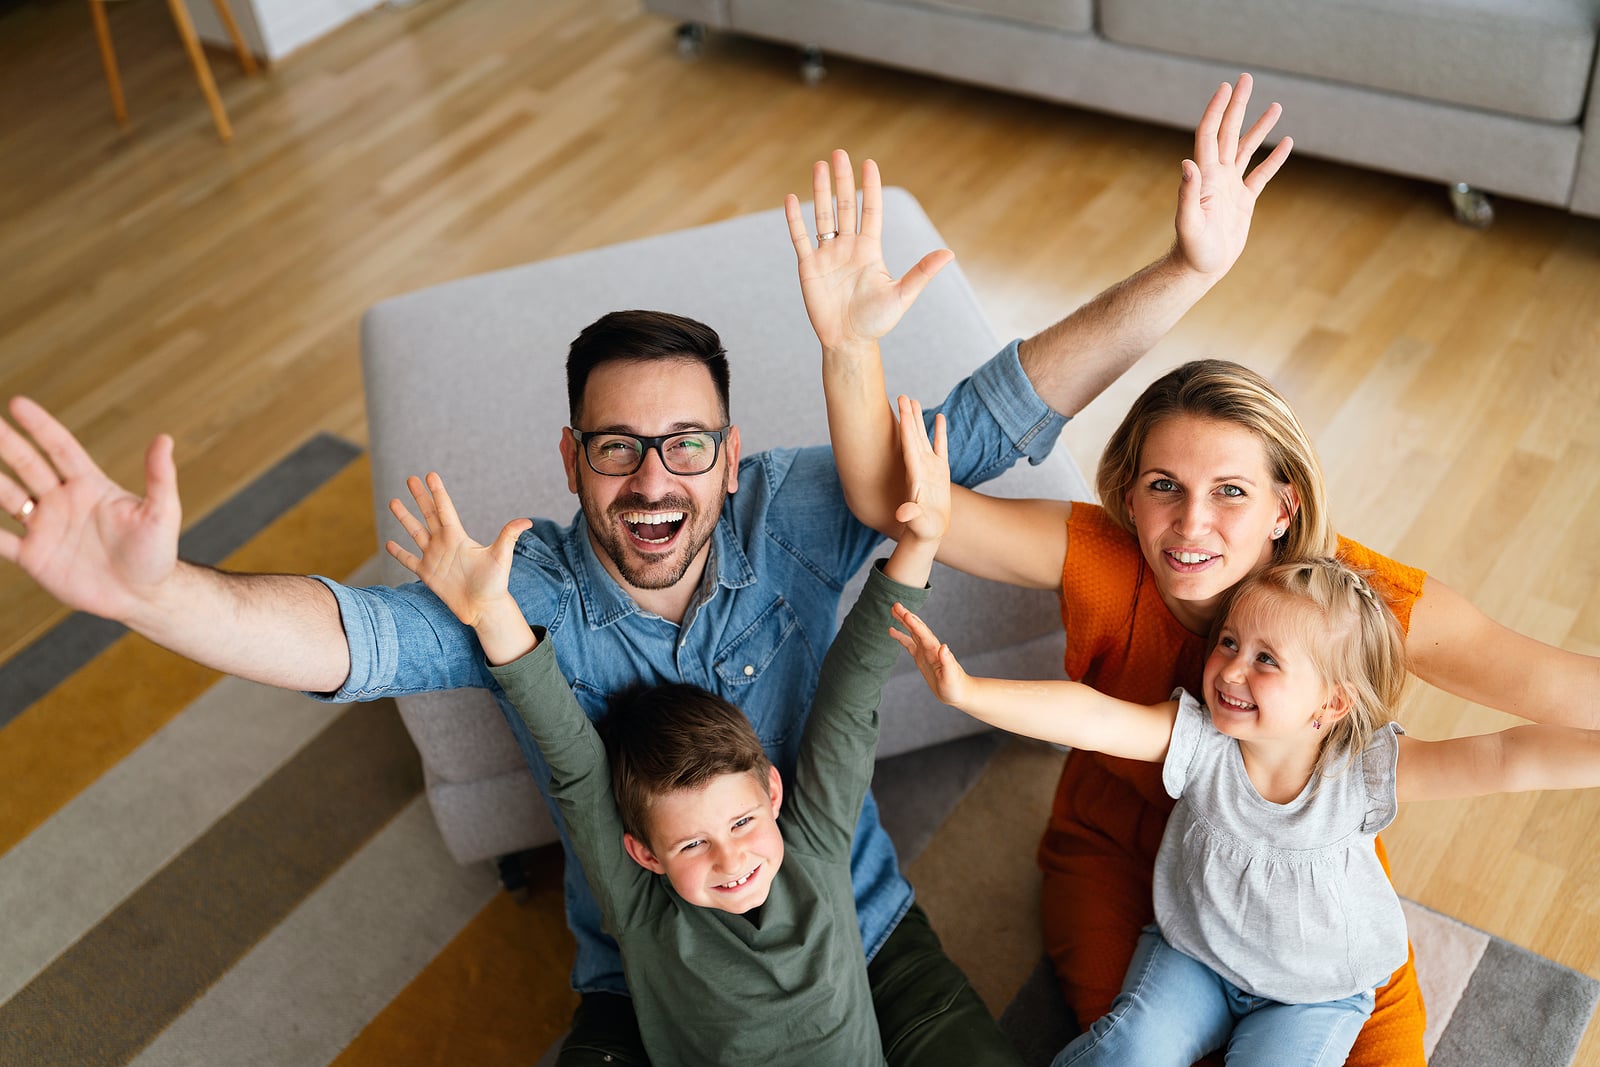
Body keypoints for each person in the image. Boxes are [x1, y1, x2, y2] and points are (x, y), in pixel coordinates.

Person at [0, 77, 1280, 1062]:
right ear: (570, 460)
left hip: (867, 935)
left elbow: (991, 419)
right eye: (617, 448)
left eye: (684, 446)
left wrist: (1185, 270)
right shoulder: (530, 587)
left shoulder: (789, 507)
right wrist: (151, 593)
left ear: (731, 460)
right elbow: (350, 642)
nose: (652, 479)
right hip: (639, 982)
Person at [807, 241, 1600, 1067]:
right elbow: (879, 496)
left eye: (1230, 491)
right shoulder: (1102, 556)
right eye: (1164, 487)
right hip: (1122, 851)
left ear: (1283, 505)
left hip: (1305, 888)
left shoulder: (1350, 602)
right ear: (1130, 491)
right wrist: (847, 346)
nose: (1191, 526)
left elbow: (1533, 696)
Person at [382, 396, 977, 1065]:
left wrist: (920, 542)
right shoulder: (644, 910)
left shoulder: (814, 847)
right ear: (643, 853)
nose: (732, 859)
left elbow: (850, 696)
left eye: (742, 823)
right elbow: (575, 762)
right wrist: (493, 615)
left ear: (773, 794)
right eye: (691, 841)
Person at [888, 554, 1600, 1067]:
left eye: (1267, 659)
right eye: (1229, 642)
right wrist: (969, 692)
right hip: (1195, 955)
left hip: (1315, 993)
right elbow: (1093, 716)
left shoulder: (1365, 771)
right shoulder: (1201, 738)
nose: (1231, 667)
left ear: (1330, 704)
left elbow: (1510, 756)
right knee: (1128, 1048)